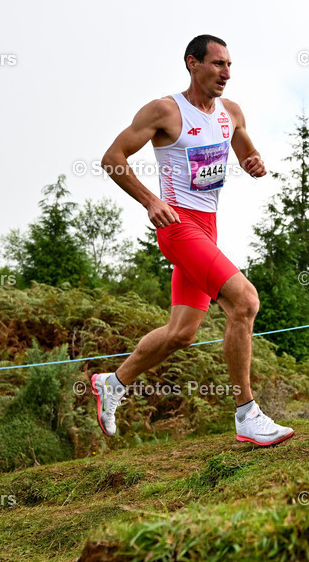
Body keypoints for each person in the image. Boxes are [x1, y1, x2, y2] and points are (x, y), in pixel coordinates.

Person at [90, 34, 294, 447]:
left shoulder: (230, 112)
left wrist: (252, 162)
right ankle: (246, 414)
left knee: (182, 332)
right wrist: (150, 201)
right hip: (177, 227)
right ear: (192, 63)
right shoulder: (165, 110)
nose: (226, 73)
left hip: (208, 227)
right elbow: (113, 158)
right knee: (245, 301)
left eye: (230, 65)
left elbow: (245, 151)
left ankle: (112, 383)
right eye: (218, 64)